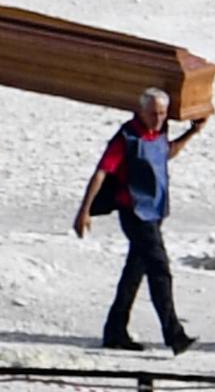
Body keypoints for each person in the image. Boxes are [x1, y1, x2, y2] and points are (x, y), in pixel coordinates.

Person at [74, 89, 206, 353]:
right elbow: (101, 172)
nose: (158, 119)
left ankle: (115, 331)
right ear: (141, 111)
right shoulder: (127, 137)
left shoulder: (159, 131)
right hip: (134, 213)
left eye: (162, 113)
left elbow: (165, 152)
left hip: (155, 211)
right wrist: (84, 211)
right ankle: (174, 335)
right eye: (153, 113)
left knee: (134, 272)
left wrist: (192, 132)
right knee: (159, 269)